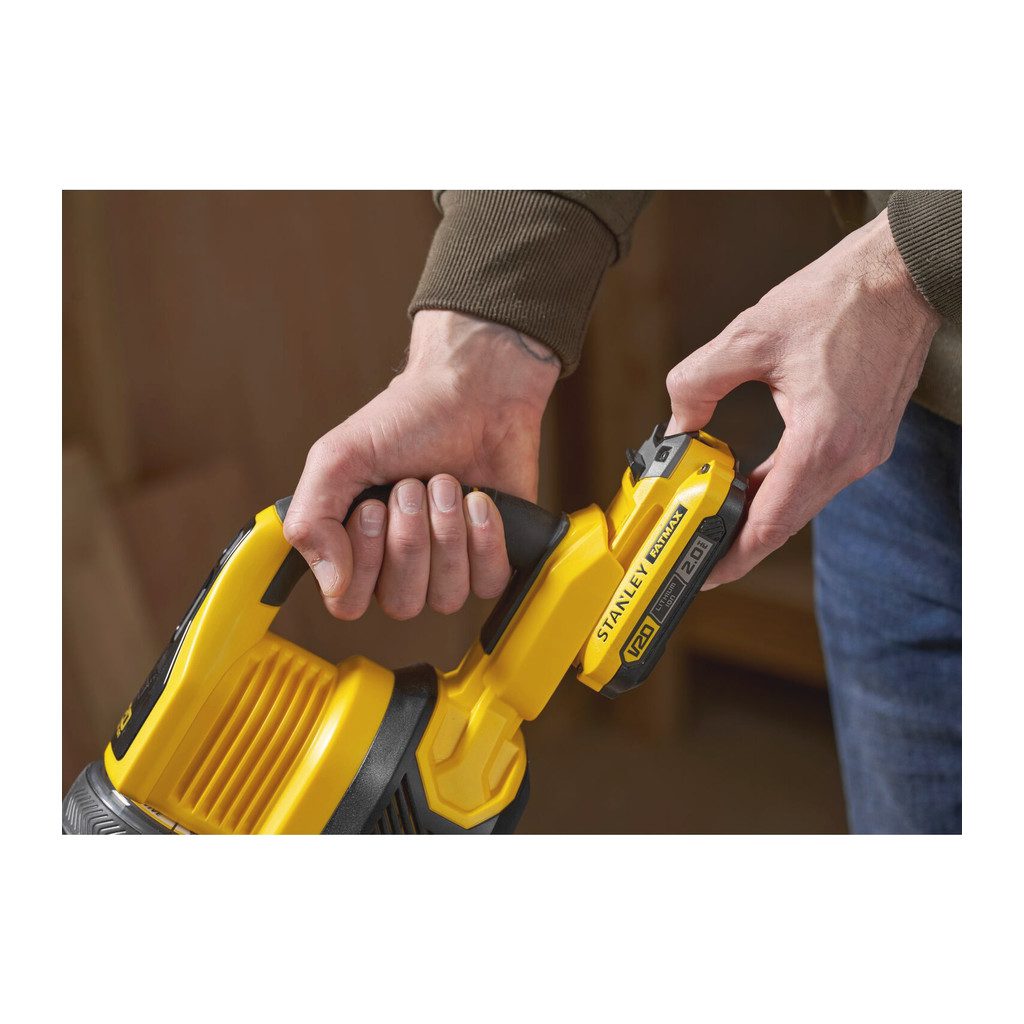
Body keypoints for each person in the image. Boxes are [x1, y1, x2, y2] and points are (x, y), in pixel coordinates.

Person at [283, 190, 962, 835]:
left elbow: (903, 268)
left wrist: (906, 268)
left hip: (904, 325)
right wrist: (482, 335)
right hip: (906, 412)